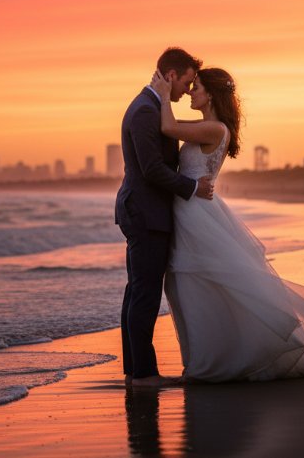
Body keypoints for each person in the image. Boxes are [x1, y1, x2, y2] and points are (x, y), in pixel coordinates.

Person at [151, 67, 304, 382]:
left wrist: (164, 95)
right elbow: (172, 126)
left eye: (196, 87)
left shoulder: (215, 129)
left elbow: (168, 126)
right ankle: (209, 359)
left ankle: (210, 364)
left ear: (211, 95)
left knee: (196, 284)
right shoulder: (207, 126)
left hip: (197, 215)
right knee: (194, 285)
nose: (190, 92)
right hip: (194, 211)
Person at [115, 47, 214, 389]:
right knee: (144, 293)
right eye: (186, 82)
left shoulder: (152, 106)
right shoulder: (145, 110)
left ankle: (135, 370)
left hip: (145, 210)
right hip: (145, 212)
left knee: (137, 290)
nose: (187, 91)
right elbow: (152, 169)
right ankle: (143, 374)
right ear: (171, 76)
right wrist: (193, 187)